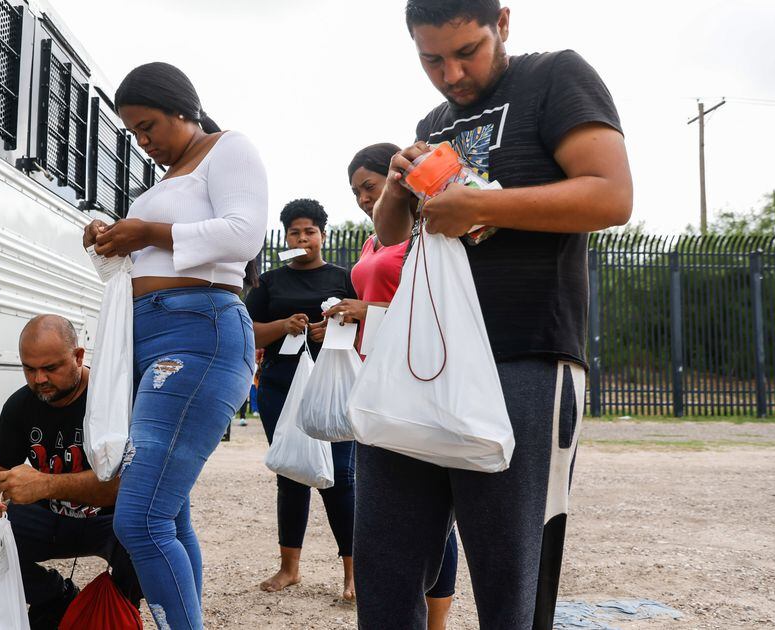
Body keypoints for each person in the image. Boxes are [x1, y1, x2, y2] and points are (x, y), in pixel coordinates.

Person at [359, 1, 633, 628]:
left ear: (502, 23)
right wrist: (399, 190)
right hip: (424, 363)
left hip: (524, 358)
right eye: (431, 59)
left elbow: (612, 195)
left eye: (466, 52)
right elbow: (395, 233)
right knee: (386, 560)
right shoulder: (434, 120)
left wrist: (486, 206)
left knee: (509, 574)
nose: (450, 74)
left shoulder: (556, 77)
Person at [83, 62, 267, 629]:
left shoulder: (229, 149)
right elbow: (146, 258)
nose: (145, 142)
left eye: (150, 126)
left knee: (139, 519)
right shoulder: (162, 185)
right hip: (148, 337)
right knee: (169, 512)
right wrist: (110, 241)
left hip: (199, 332)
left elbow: (245, 234)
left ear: (182, 108)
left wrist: (149, 232)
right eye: (135, 133)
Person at [326, 143, 458, 629]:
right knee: (384, 506)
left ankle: (436, 621)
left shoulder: (426, 229)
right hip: (374, 371)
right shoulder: (374, 239)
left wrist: (370, 311)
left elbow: (433, 304)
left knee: (433, 504)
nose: (363, 198)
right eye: (356, 191)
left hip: (418, 371)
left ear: (397, 179)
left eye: (370, 186)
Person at [0, 315, 141, 630]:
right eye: (29, 368)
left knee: (148, 538)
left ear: (78, 357)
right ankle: (55, 598)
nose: (38, 379)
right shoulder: (22, 405)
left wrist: (45, 485)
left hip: (109, 523)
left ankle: (113, 611)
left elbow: (127, 485)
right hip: (50, 521)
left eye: (50, 368)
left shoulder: (115, 400)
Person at [245, 198, 358, 601]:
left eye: (310, 231)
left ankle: (353, 573)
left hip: (332, 386)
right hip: (280, 387)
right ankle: (289, 568)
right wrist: (281, 324)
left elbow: (364, 323)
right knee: (291, 472)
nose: (302, 237)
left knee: (341, 478)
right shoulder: (270, 282)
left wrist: (335, 329)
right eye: (295, 231)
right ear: (287, 236)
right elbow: (249, 331)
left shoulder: (344, 278)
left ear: (322, 235)